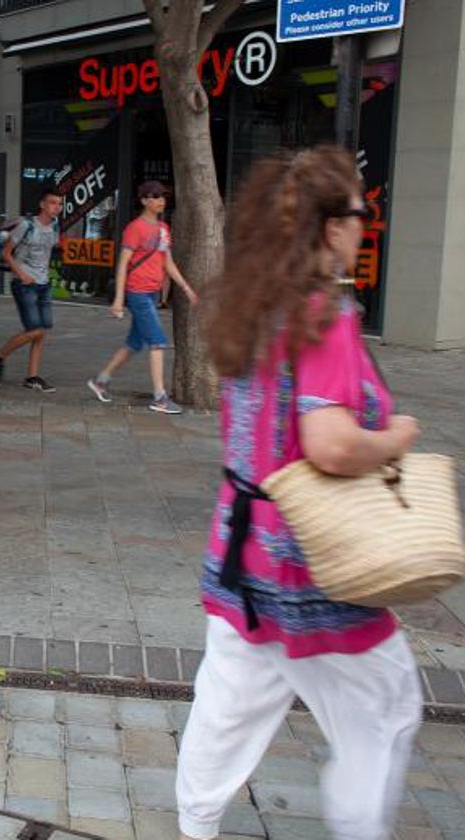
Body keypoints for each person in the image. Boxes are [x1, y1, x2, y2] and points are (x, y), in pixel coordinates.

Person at [175, 146, 422, 840]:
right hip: (316, 562)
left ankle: (194, 827)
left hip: (239, 551)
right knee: (386, 707)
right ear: (328, 226)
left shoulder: (250, 306)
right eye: (358, 212)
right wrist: (397, 435)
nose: (364, 225)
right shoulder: (325, 314)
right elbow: (332, 445)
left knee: (226, 707)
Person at [86, 180, 198, 414]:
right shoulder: (134, 228)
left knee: (134, 344)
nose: (161, 201)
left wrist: (185, 287)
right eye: (156, 197)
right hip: (137, 293)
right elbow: (123, 263)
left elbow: (167, 262)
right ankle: (160, 398)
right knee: (158, 342)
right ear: (145, 200)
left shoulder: (164, 229)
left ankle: (100, 382)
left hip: (151, 292)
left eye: (163, 196)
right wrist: (118, 299)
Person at [0, 187, 64, 392]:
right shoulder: (26, 226)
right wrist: (21, 274)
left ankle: (32, 377)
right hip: (24, 284)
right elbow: (6, 253)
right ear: (42, 205)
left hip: (43, 284)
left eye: (59, 204)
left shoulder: (55, 226)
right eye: (52, 203)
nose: (56, 207)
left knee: (41, 332)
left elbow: (48, 253)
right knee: (35, 330)